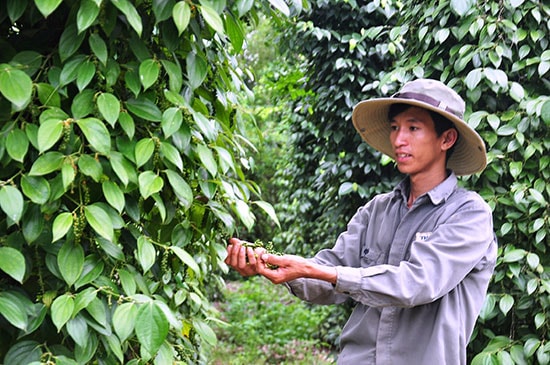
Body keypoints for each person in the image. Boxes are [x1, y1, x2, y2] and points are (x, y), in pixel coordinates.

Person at [225, 78, 497, 365]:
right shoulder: (377, 210)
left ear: (447, 139)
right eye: (394, 128)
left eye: (413, 128)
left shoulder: (469, 214)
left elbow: (417, 283)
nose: (398, 140)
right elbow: (328, 274)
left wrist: (325, 272)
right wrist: (267, 262)